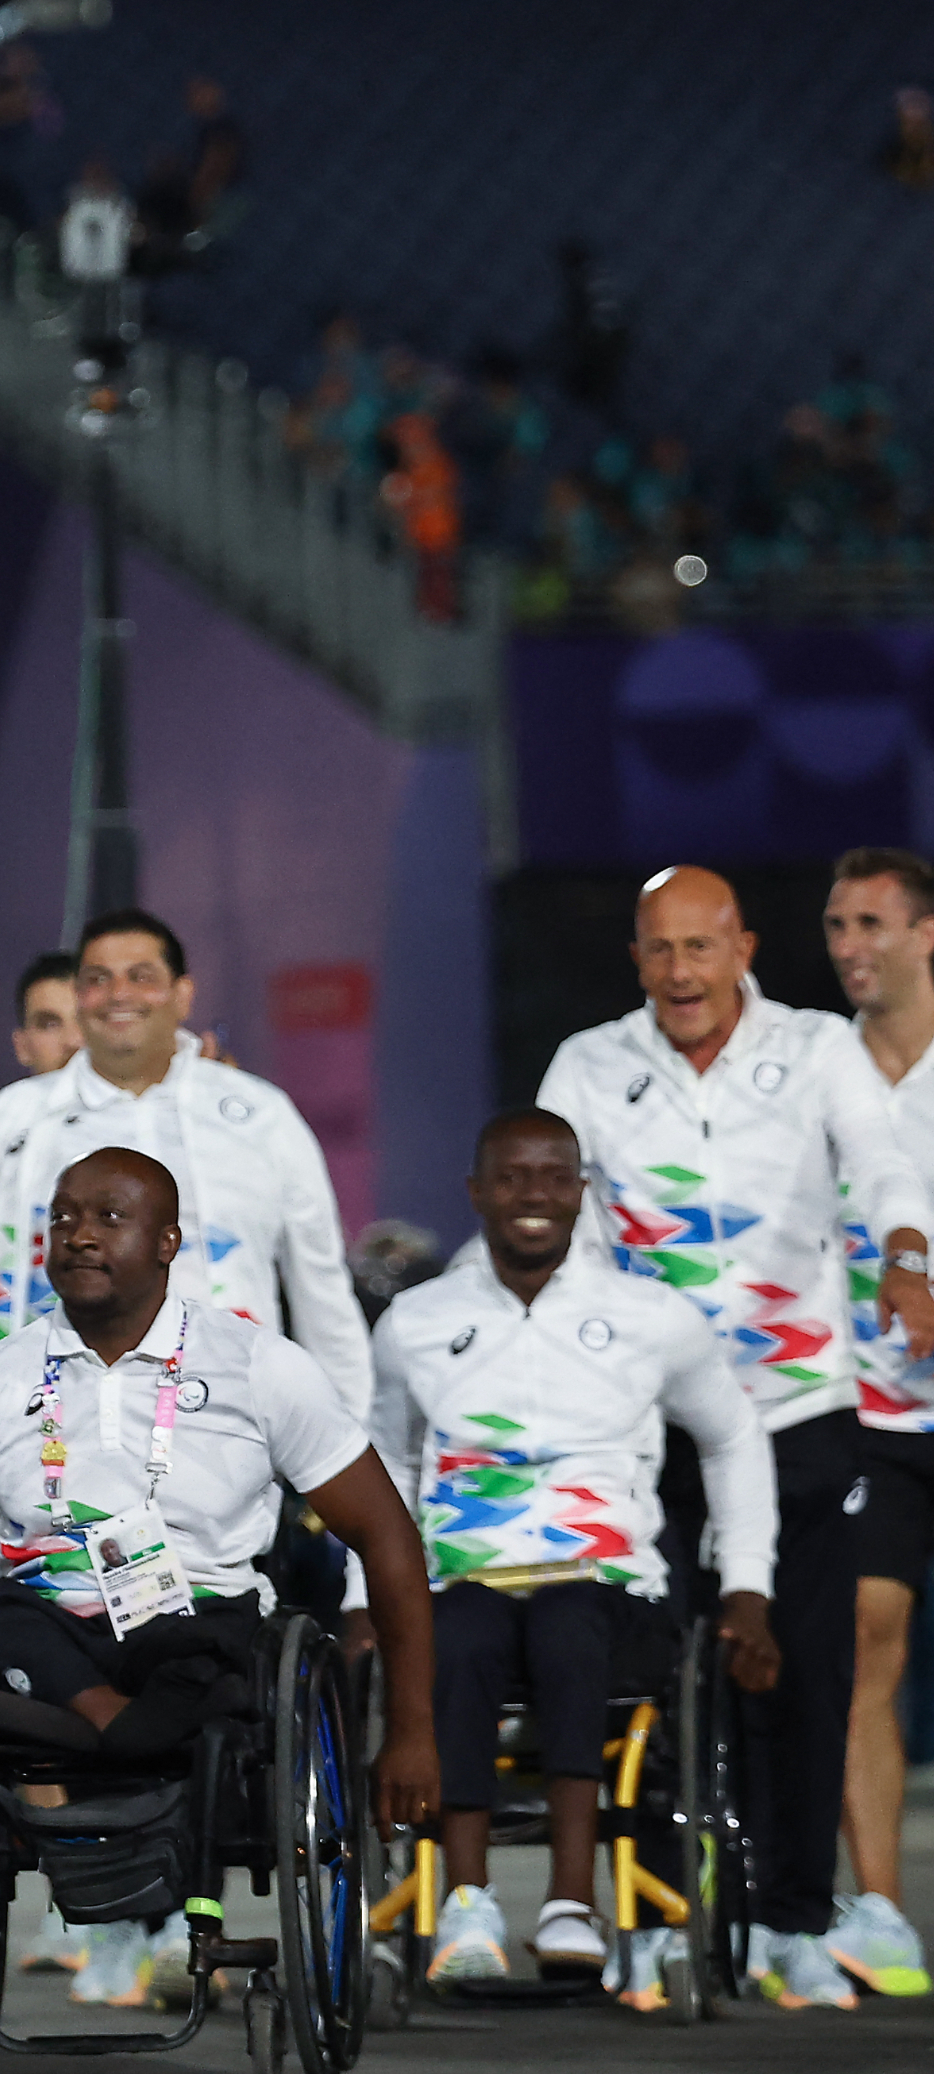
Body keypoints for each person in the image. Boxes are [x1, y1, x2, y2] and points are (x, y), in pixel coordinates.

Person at [536, 864, 934, 2009]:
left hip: (797, 1410)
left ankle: (792, 1922)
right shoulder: (590, 1062)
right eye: (657, 950)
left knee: (805, 1670)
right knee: (648, 1674)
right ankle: (653, 1919)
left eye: (698, 949)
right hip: (647, 1419)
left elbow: (883, 1167)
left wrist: (906, 1260)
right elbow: (547, 1204)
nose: (678, 973)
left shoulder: (815, 1049)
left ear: (742, 948)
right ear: (636, 959)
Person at [0, 1149, 440, 2010]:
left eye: (108, 1218)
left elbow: (385, 1536)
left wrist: (411, 1728)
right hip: (44, 1629)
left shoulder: (256, 1367)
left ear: (167, 1242)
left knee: (209, 1653)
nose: (78, 1236)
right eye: (62, 1218)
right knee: (2, 1616)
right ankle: (105, 1750)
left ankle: (110, 1780)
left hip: (190, 1623)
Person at [367, 1109, 781, 1997]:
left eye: (554, 1176)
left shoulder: (648, 1316)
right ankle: (467, 1902)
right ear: (476, 1192)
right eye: (511, 1178)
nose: (533, 1196)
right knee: (461, 1633)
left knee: (566, 1627)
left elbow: (734, 1438)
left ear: (580, 1191)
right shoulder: (415, 1322)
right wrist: (368, 1601)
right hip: (468, 1576)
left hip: (606, 1586)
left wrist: (745, 1585)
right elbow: (390, 1465)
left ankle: (569, 1903)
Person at [0, 911, 371, 1430]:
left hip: (221, 1427)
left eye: (141, 976)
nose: (118, 994)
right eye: (97, 979)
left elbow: (321, 1290)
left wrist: (348, 1442)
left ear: (182, 995)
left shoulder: (258, 1115)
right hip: (31, 1430)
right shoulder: (12, 1118)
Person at [823, 845, 934, 1995]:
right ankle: (880, 1911)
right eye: (835, 926)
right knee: (868, 1642)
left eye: (870, 924)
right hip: (872, 1411)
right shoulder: (819, 1072)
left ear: (924, 934)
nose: (850, 947)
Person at [6, 950, 81, 1082]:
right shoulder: (4, 1102)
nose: (72, 1042)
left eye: (84, 1020)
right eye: (49, 1025)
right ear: (22, 1047)